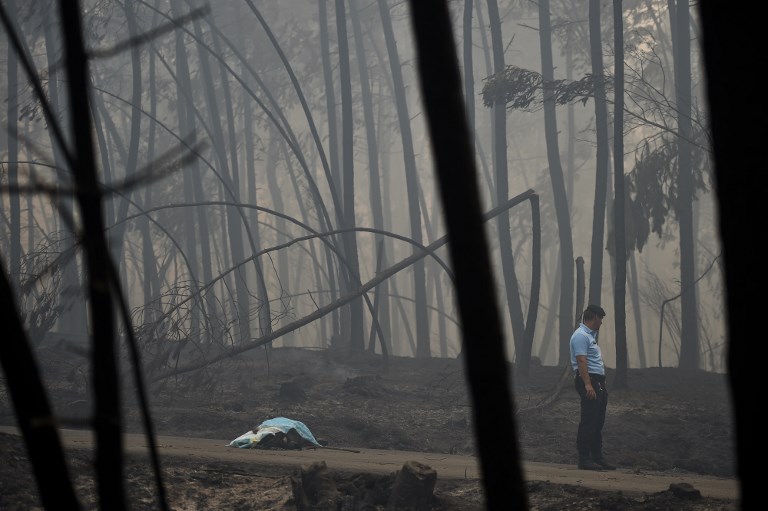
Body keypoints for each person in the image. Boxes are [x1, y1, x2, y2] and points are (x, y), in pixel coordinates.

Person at [569, 304, 616, 471]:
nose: (601, 322)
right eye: (601, 319)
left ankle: (597, 457)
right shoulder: (580, 336)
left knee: (598, 421)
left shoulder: (590, 336)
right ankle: (584, 458)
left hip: (598, 381)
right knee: (589, 420)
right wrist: (588, 384)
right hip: (588, 381)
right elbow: (581, 360)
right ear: (594, 317)